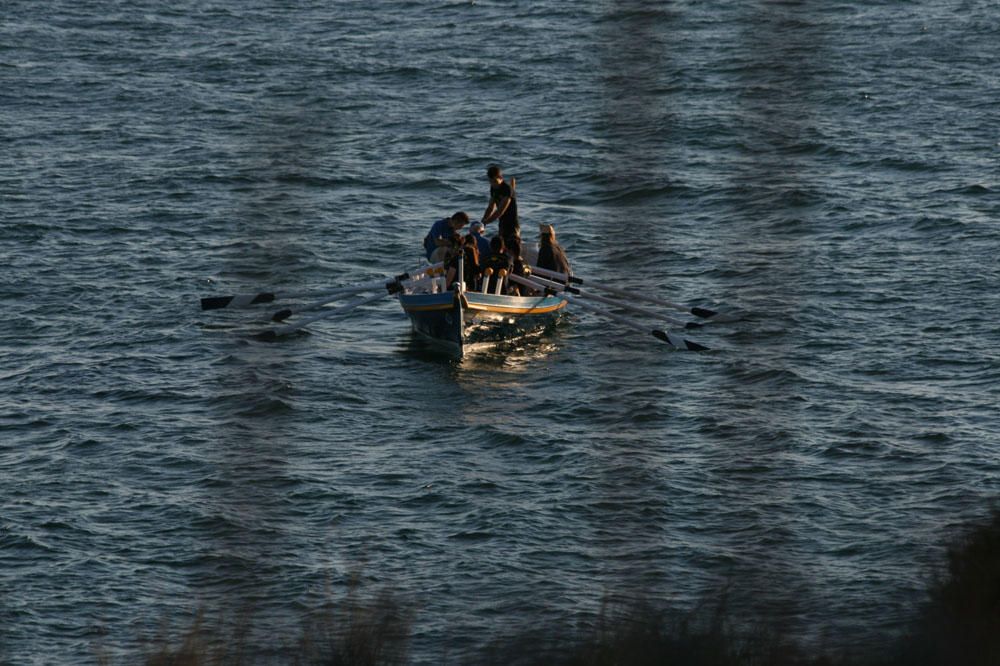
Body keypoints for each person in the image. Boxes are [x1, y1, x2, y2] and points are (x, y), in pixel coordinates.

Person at [481, 164, 519, 245]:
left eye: (495, 181)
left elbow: (500, 211)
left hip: (512, 225)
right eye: (490, 181)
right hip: (502, 223)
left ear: (501, 178)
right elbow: (490, 207)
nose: (493, 184)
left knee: (512, 246)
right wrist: (483, 221)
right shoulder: (493, 188)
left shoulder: (507, 189)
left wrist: (487, 221)